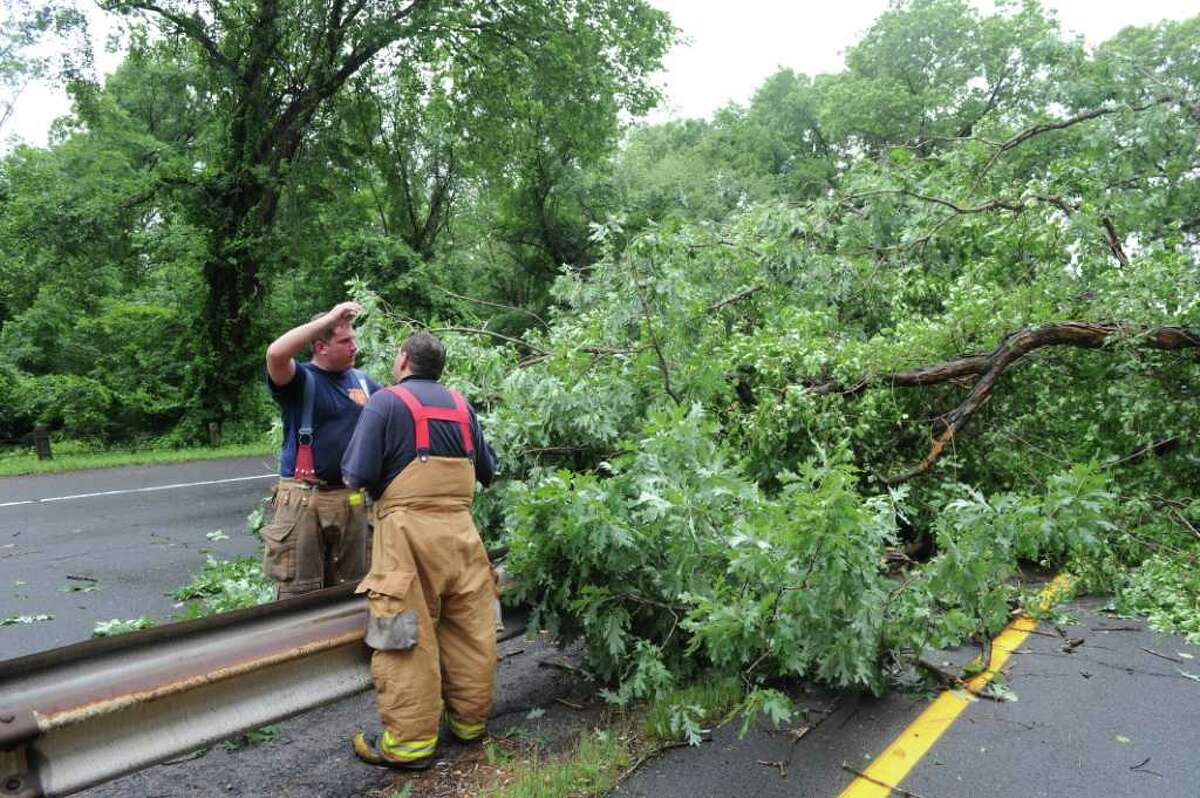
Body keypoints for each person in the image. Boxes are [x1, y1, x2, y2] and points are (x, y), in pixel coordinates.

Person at [342, 330, 498, 770]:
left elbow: (356, 475)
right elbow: (488, 471)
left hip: (407, 540)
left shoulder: (385, 402)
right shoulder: (462, 405)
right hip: (463, 537)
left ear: (405, 359)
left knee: (404, 638)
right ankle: (469, 724)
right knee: (472, 632)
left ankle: (408, 747)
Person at [262, 301, 381, 599]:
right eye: (344, 341)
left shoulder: (364, 382)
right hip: (304, 499)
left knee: (353, 593)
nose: (354, 347)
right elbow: (276, 353)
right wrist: (329, 318)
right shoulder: (299, 380)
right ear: (320, 347)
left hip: (352, 498)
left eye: (353, 339)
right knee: (300, 598)